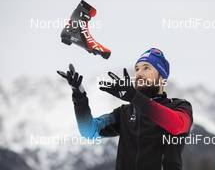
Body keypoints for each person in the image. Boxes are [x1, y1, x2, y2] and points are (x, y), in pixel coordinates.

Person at [57, 48, 193, 170]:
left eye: (146, 68)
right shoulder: (125, 112)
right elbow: (88, 131)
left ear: (162, 77)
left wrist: (134, 97)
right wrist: (79, 95)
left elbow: (177, 125)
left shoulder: (179, 106)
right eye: (137, 69)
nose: (139, 73)